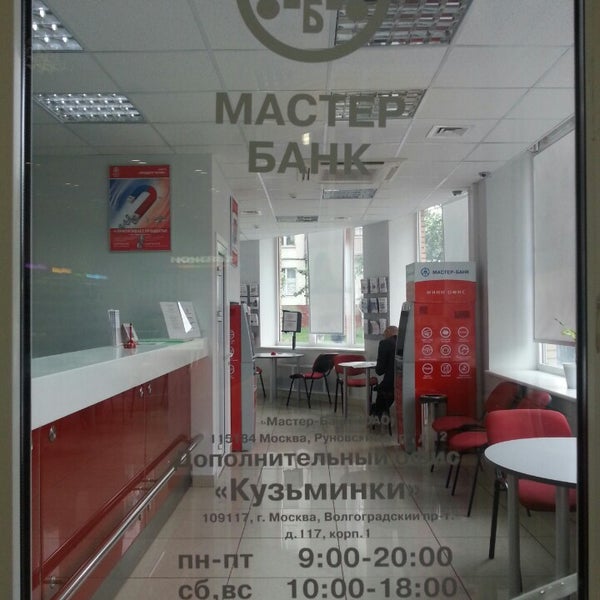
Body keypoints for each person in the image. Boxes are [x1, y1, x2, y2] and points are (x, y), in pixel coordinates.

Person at [371, 325, 398, 420]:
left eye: (384, 334)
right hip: (403, 384)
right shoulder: (404, 343)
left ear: (388, 332)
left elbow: (379, 370)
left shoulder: (385, 343)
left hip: (390, 385)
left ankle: (376, 416)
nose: (384, 336)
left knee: (381, 391)